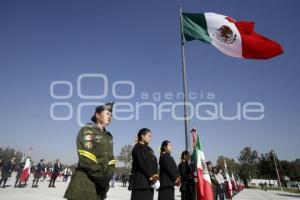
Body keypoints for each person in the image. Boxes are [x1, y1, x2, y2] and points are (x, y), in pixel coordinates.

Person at [64, 102, 117, 200]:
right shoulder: (88, 130)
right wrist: (101, 177)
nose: (109, 116)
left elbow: (111, 160)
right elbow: (86, 156)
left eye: (111, 115)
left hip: (100, 187)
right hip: (84, 183)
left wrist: (108, 176)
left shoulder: (108, 136)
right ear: (97, 115)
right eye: (107, 113)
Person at [130, 128, 158, 200]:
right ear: (142, 136)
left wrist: (155, 175)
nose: (150, 138)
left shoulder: (150, 149)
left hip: (149, 184)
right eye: (149, 136)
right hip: (140, 184)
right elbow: (142, 163)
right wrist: (150, 176)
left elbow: (154, 162)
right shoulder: (137, 147)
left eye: (151, 136)